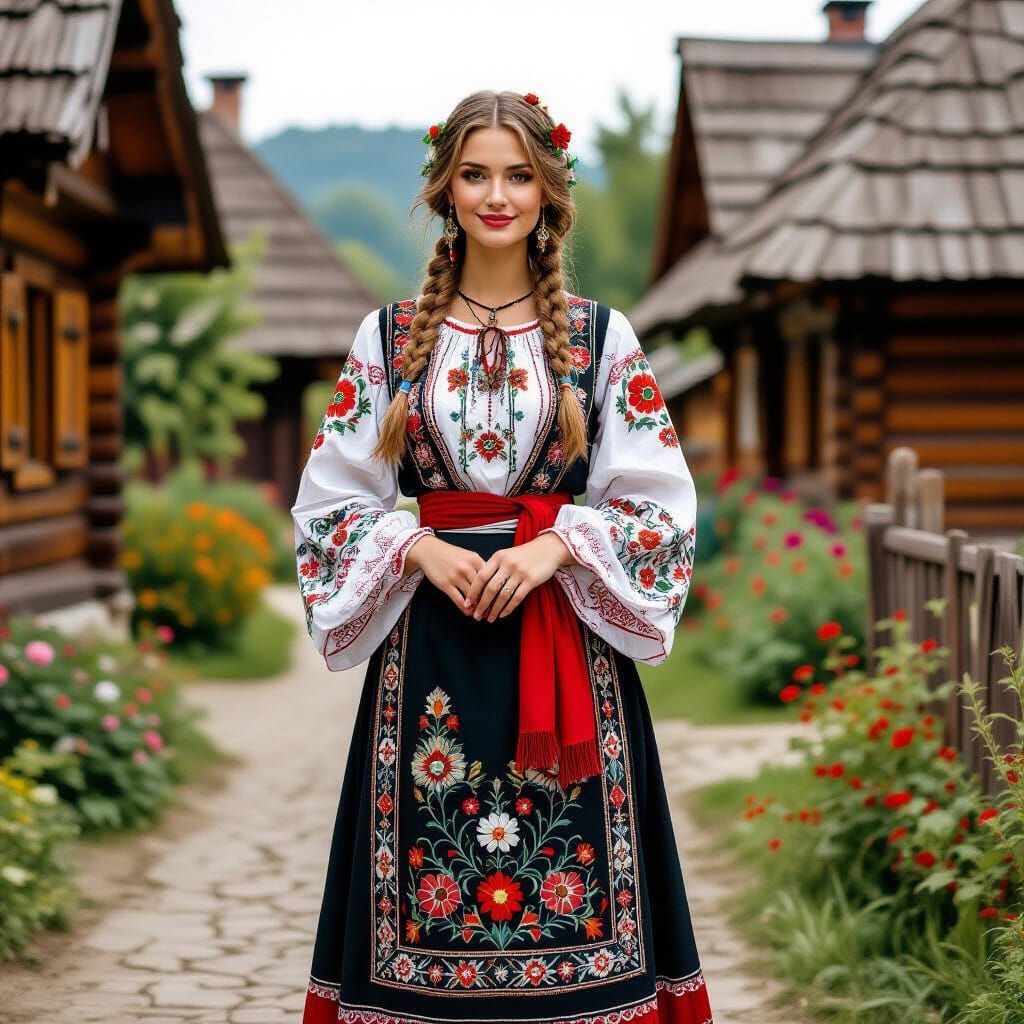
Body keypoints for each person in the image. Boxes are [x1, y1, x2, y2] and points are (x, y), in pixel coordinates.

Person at [291, 89, 714, 1024]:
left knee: (571, 866)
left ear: (548, 194)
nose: (496, 194)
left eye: (518, 175)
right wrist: (412, 547)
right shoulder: (391, 338)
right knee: (426, 878)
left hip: (564, 646)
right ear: (446, 189)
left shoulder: (604, 340)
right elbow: (329, 502)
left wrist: (559, 544)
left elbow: (661, 506)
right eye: (476, 174)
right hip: (429, 655)